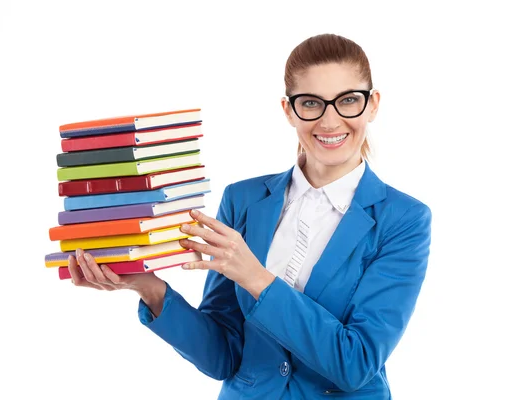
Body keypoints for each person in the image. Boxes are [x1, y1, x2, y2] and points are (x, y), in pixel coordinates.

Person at [68, 33, 432, 399]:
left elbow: (355, 362)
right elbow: (223, 357)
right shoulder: (242, 200)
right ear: (289, 110)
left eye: (348, 100)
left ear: (372, 105)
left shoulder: (404, 220)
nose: (330, 121)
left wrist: (255, 277)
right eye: (311, 103)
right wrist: (150, 289)